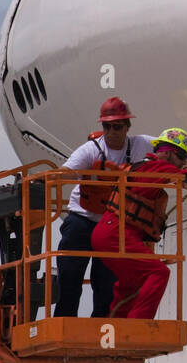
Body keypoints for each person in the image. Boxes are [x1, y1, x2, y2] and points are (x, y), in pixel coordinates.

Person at [92, 126, 187, 319]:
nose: (182, 163)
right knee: (159, 273)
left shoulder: (144, 165)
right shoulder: (160, 168)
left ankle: (117, 322)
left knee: (131, 281)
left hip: (107, 233)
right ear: (172, 154)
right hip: (117, 234)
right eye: (181, 157)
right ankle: (138, 326)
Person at [54, 97, 154, 317]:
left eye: (117, 126)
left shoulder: (140, 145)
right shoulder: (90, 150)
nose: (111, 131)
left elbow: (173, 145)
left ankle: (101, 327)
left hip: (111, 226)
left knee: (107, 283)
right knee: (69, 275)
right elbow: (68, 170)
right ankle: (64, 322)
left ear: (127, 127)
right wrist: (53, 177)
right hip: (81, 220)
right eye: (106, 126)